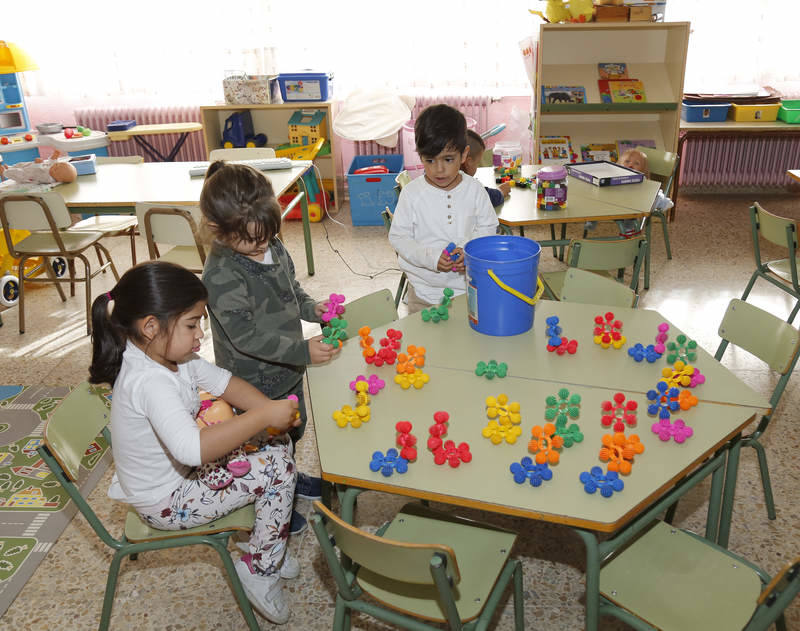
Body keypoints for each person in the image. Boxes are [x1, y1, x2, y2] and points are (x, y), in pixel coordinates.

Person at [88, 261, 300, 624]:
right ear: (151, 326)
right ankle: (261, 570)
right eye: (192, 324)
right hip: (165, 500)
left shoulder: (171, 355)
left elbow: (224, 382)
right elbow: (190, 449)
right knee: (278, 469)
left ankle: (264, 539)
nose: (200, 333)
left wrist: (267, 411)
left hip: (183, 471)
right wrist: (263, 417)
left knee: (277, 446)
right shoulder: (148, 381)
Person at [199, 161, 339, 535]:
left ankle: (289, 480)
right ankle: (271, 500)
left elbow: (291, 290)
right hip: (251, 379)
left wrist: (313, 309)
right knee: (261, 447)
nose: (262, 245)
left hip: (287, 368)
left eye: (267, 236)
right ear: (219, 230)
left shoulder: (270, 243)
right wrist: (303, 351)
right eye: (251, 240)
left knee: (292, 428)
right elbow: (245, 338)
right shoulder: (221, 273)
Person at [388, 104, 499, 313]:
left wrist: (469, 251)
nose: (439, 169)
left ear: (464, 155)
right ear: (420, 156)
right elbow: (399, 238)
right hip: (423, 293)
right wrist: (431, 257)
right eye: (429, 160)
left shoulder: (475, 190)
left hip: (466, 291)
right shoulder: (411, 194)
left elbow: (488, 228)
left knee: (465, 343)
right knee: (424, 345)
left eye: (448, 159)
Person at [615, 148, 674, 236]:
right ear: (619, 164)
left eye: (636, 163)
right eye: (627, 161)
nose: (631, 165)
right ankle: (591, 221)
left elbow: (651, 190)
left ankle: (663, 202)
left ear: (642, 169)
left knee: (654, 193)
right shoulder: (618, 177)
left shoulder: (641, 178)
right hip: (621, 203)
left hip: (638, 204)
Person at [462, 129, 510, 207]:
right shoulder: (466, 184)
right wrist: (501, 191)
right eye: (477, 163)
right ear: (469, 162)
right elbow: (488, 197)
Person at [0, 150, 77, 184]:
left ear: (58, 179)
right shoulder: (52, 170)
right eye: (58, 164)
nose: (55, 165)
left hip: (26, 176)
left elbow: (38, 172)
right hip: (30, 168)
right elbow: (51, 163)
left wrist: (38, 164)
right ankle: (10, 167)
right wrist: (55, 156)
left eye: (56, 168)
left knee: (17, 172)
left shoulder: (48, 179)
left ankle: (5, 172)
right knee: (22, 164)